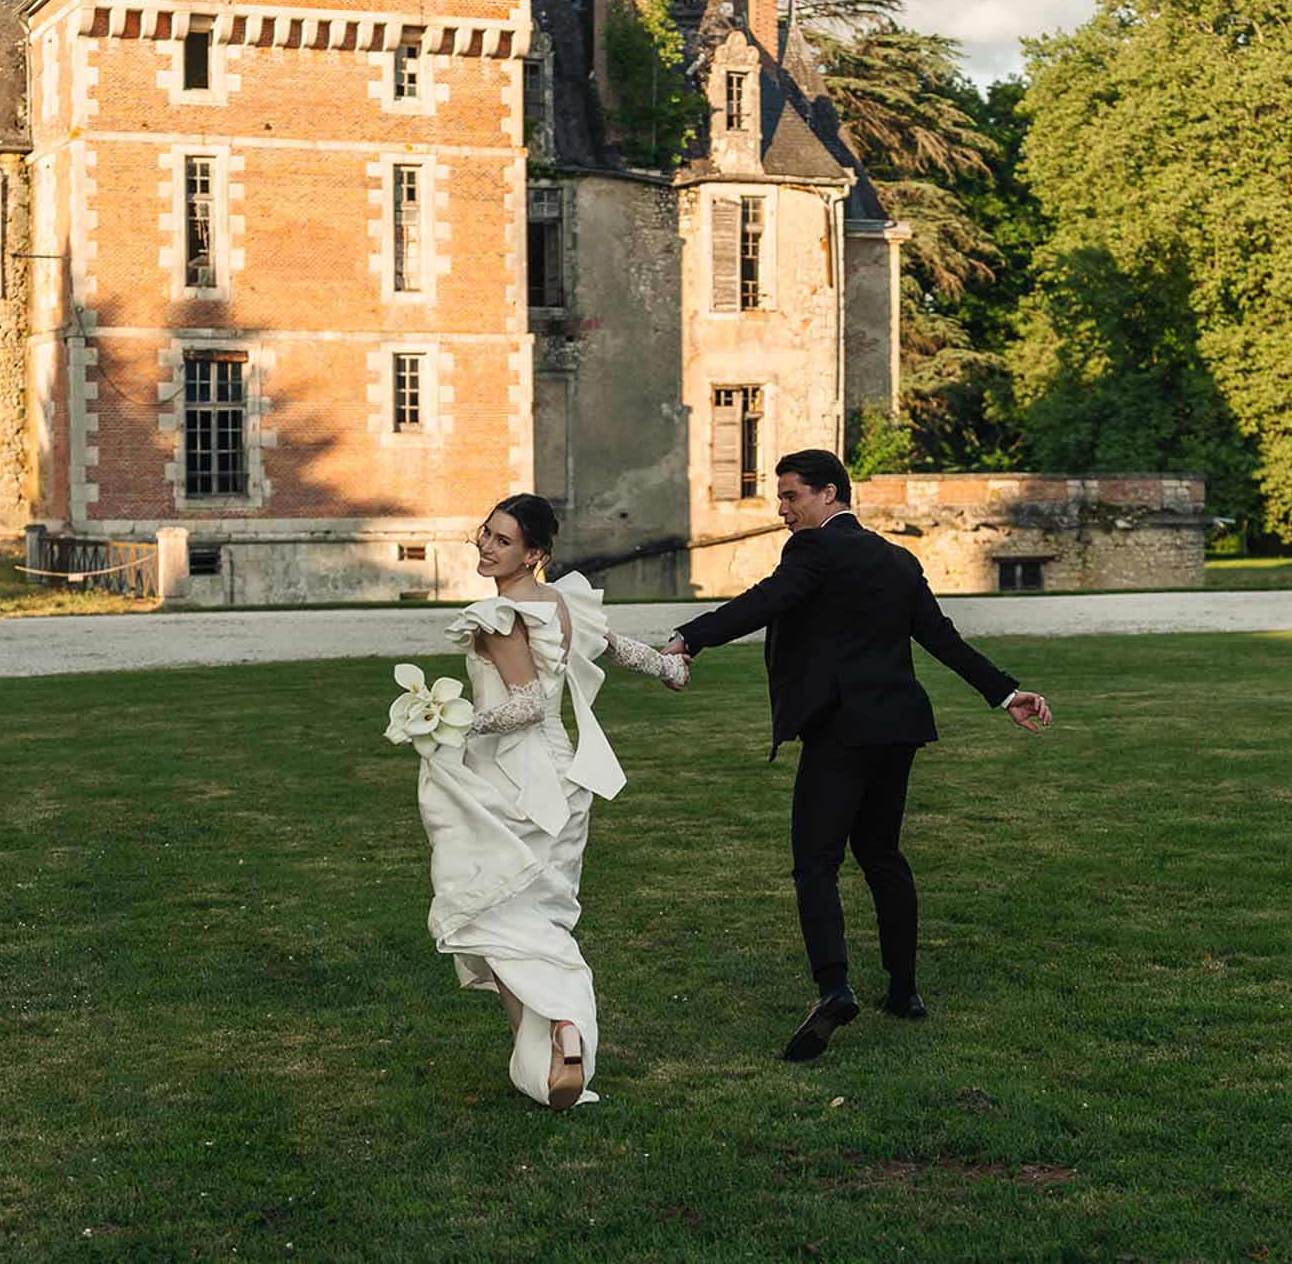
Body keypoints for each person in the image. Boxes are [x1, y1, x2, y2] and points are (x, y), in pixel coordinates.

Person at [663, 450, 1052, 1062]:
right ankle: (905, 991)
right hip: (898, 728)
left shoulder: (814, 550)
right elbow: (942, 639)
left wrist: (691, 637)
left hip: (841, 729)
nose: (782, 509)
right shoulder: (899, 559)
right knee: (881, 855)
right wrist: (1005, 692)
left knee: (815, 861)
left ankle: (833, 988)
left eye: (791, 496)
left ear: (828, 494)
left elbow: (764, 602)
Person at [419, 494, 688, 1110]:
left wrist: (448, 724)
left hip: (514, 777)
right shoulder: (561, 601)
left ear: (535, 554)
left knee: (493, 912)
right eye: (484, 534)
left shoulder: (500, 613)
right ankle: (545, 1061)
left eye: (503, 541)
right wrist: (669, 668)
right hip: (566, 776)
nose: (487, 547)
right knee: (537, 912)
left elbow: (528, 703)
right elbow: (617, 647)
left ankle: (562, 1021)